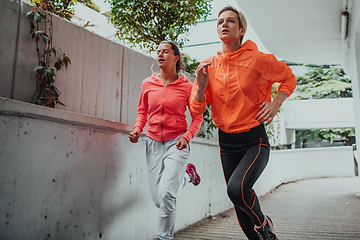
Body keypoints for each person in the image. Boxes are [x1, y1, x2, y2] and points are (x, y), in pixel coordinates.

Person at [189, 5, 297, 240]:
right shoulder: (208, 67)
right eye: (220, 22)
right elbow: (196, 108)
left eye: (230, 21)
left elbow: (288, 76)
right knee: (239, 205)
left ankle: (264, 223)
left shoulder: (258, 60)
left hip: (254, 140)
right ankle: (262, 235)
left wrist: (277, 101)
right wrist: (200, 84)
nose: (224, 24)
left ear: (242, 31)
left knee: (236, 189)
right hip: (226, 143)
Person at [128, 40, 203, 240]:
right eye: (158, 52)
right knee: (158, 199)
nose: (160, 54)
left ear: (175, 57)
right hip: (152, 142)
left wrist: (187, 137)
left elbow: (197, 118)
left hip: (177, 142)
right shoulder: (147, 84)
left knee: (166, 195)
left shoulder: (187, 86)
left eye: (165, 52)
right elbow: (142, 112)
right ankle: (187, 175)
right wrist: (137, 130)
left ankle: (165, 237)